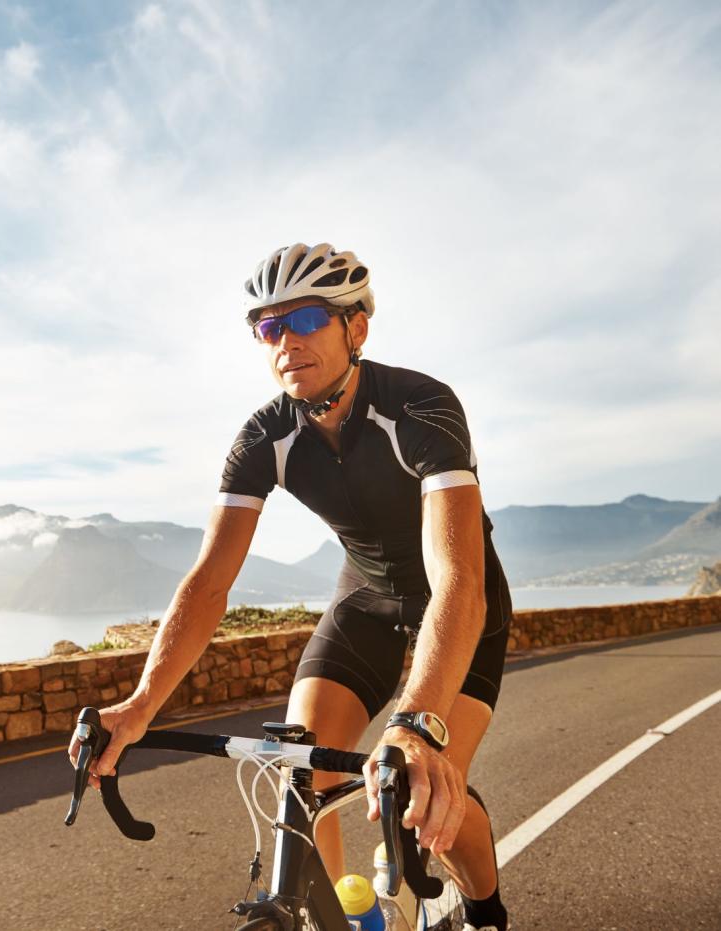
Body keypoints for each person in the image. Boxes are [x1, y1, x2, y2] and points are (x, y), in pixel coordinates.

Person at [70, 242, 512, 931]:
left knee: (424, 787)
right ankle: (345, 916)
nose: (286, 341)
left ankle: (485, 910)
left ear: (355, 328)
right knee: (302, 760)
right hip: (365, 598)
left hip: (457, 604)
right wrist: (140, 704)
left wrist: (416, 723)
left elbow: (457, 577)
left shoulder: (421, 406)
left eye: (306, 318)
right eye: (269, 327)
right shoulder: (264, 436)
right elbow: (210, 581)